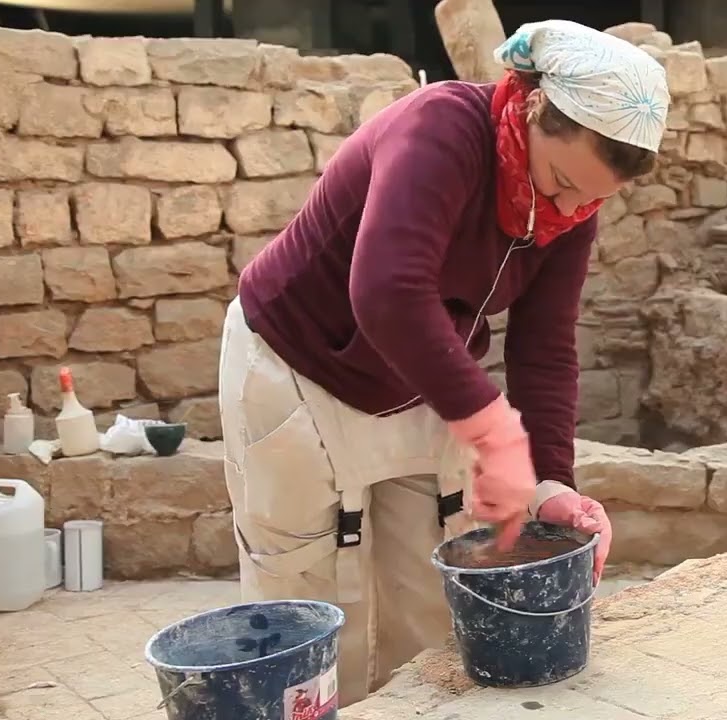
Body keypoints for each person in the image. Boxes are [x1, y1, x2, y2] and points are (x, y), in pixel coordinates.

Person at [217, 19, 670, 706]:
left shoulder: (571, 206)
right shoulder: (441, 131)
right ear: (531, 107)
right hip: (296, 360)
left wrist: (550, 482)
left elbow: (545, 345)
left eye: (593, 200)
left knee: (429, 599)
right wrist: (494, 434)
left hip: (420, 373)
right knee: (301, 610)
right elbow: (388, 293)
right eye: (560, 182)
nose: (569, 211)